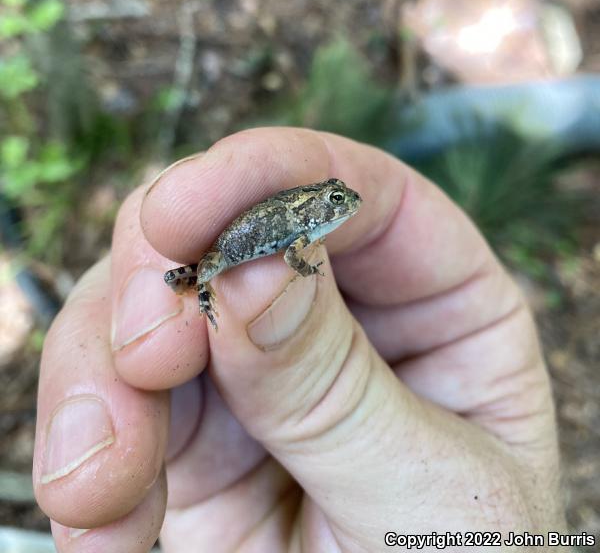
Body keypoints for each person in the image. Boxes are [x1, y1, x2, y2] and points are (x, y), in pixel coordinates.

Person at [33, 128, 567, 551]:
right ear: (319, 207)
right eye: (334, 203)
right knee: (198, 277)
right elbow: (291, 255)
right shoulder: (302, 225)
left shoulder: (308, 221)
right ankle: (199, 293)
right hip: (230, 249)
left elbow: (296, 245)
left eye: (336, 202)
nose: (340, 207)